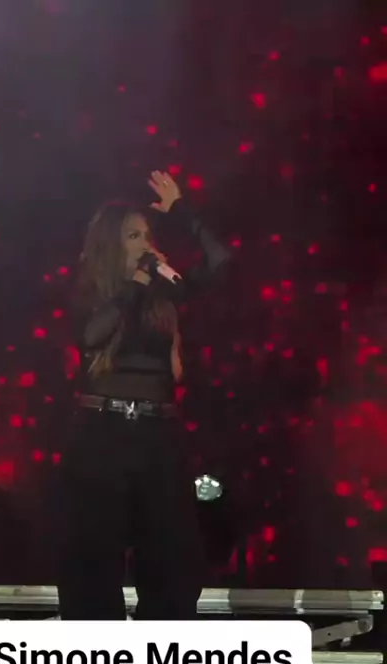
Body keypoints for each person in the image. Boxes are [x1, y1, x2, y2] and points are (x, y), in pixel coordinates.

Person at [52, 169, 231, 621]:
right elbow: (94, 335)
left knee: (175, 554)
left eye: (148, 235)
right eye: (134, 236)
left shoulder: (162, 294)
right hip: (102, 432)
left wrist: (182, 212)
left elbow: (220, 261)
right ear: (111, 245)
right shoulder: (92, 291)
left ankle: (162, 647)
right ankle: (96, 653)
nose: (146, 244)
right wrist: (136, 282)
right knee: (93, 553)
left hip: (157, 434)